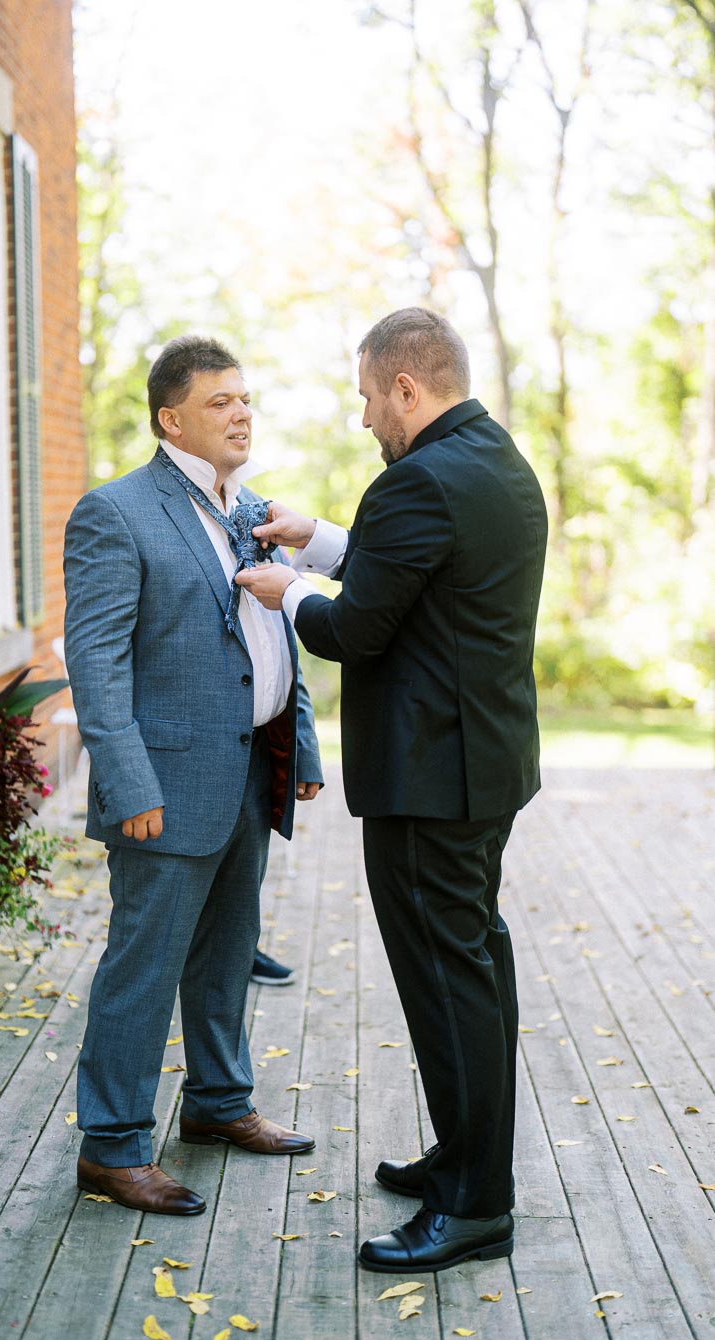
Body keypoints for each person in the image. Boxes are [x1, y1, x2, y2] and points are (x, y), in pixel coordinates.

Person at [237, 306, 548, 1272]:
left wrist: (289, 589)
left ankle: (475, 1206)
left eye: (369, 396)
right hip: (480, 769)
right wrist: (321, 538)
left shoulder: (416, 481)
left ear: (407, 388)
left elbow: (356, 629)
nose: (364, 416)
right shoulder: (494, 461)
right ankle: (467, 1157)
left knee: (449, 987)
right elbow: (417, 572)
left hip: (428, 782)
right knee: (476, 973)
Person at [63, 335, 323, 1217]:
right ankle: (112, 1146)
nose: (243, 413)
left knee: (224, 959)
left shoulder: (253, 508)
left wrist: (307, 748)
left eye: (246, 399)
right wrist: (128, 785)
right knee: (143, 965)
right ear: (172, 417)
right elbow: (95, 662)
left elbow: (273, 634)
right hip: (163, 789)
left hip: (252, 774)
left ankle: (217, 1106)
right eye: (221, 402)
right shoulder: (117, 512)